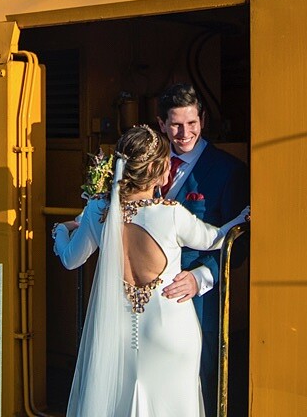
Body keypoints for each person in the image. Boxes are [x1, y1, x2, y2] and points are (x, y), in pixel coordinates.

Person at [53, 125, 249, 417]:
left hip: (117, 332)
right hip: (170, 329)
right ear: (159, 171)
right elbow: (215, 239)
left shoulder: (97, 210)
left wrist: (59, 230)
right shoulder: (171, 213)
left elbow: (70, 259)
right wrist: (241, 217)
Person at [157, 83, 249, 417]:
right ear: (162, 124)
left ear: (203, 120)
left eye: (192, 123)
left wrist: (200, 277)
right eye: (176, 125)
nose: (185, 134)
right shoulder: (146, 165)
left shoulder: (229, 170)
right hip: (149, 296)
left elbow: (240, 241)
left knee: (199, 377)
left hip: (198, 299)